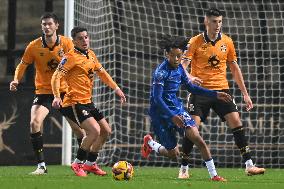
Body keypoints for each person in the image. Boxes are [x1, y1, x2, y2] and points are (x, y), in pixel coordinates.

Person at [179, 8, 265, 178]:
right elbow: (182, 65)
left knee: (236, 121)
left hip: (221, 89)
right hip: (200, 91)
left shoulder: (227, 41)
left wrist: (245, 94)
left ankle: (249, 165)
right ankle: (184, 168)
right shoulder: (195, 42)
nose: (217, 25)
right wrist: (189, 77)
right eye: (214, 21)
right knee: (192, 127)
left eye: (219, 21)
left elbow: (234, 68)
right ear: (206, 22)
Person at [141, 35, 231, 182]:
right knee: (173, 153)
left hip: (177, 110)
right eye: (173, 56)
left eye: (179, 56)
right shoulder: (160, 73)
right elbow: (157, 99)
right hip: (160, 114)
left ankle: (214, 175)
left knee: (198, 140)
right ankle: (150, 143)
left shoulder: (180, 70)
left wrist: (215, 94)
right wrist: (171, 116)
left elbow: (191, 87)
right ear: (166, 54)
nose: (176, 59)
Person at [9, 13, 85, 175]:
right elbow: (22, 65)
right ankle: (41, 166)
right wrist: (16, 79)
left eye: (50, 24)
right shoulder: (34, 46)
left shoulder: (67, 43)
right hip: (44, 91)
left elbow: (79, 63)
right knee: (34, 123)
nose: (46, 27)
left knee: (79, 130)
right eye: (44, 24)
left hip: (65, 91)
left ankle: (84, 164)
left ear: (57, 25)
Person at [51, 26, 126, 177]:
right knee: (94, 131)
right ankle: (77, 163)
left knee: (106, 131)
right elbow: (56, 76)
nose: (84, 40)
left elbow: (102, 73)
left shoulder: (90, 54)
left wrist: (116, 88)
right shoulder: (70, 57)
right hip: (74, 102)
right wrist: (57, 96)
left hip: (88, 101)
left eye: (86, 37)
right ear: (74, 41)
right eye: (80, 38)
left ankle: (90, 164)